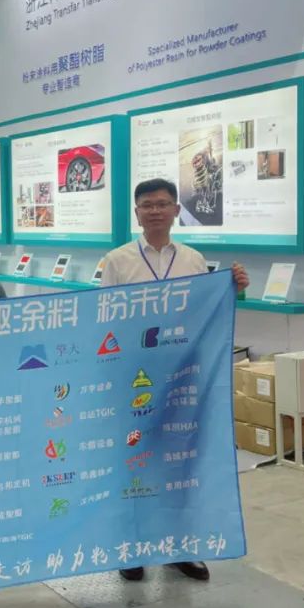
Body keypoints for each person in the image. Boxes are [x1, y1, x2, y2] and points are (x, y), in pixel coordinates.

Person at [100, 178, 248, 585]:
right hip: (134, 378)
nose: (155, 211)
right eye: (147, 205)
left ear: (176, 210)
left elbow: (207, 313)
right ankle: (132, 547)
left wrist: (234, 289)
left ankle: (178, 547)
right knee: (133, 462)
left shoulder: (193, 260)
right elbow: (105, 316)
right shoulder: (118, 261)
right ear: (137, 213)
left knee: (179, 461)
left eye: (163, 204)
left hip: (183, 376)